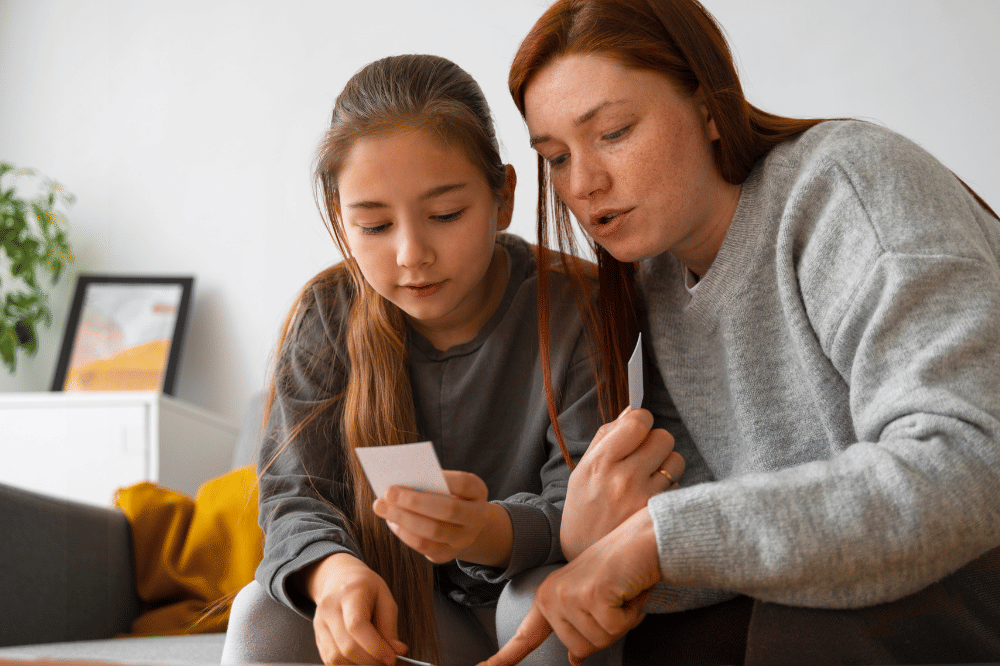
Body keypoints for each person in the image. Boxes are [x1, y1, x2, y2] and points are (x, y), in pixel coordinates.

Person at [482, 0, 1000, 664]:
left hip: (969, 571)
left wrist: (655, 540)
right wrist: (592, 540)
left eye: (613, 131)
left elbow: (970, 464)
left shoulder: (848, 187)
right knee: (558, 616)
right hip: (851, 600)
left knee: (801, 630)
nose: (584, 184)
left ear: (706, 104)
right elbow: (719, 526)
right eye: (555, 157)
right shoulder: (658, 280)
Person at [219, 54, 683, 666]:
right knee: (259, 613)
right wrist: (332, 576)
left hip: (522, 605)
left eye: (445, 216)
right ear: (340, 219)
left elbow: (586, 504)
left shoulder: (579, 308)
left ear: (504, 196)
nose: (412, 255)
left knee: (546, 603)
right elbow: (295, 498)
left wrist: (485, 530)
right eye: (375, 224)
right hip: (398, 617)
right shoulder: (327, 316)